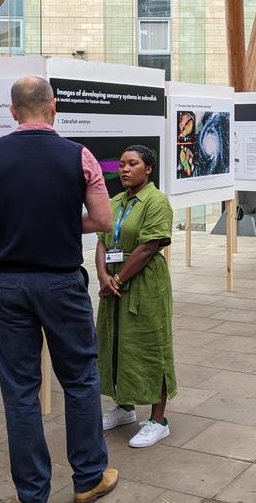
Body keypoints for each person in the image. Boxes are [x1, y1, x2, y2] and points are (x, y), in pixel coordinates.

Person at [0, 76, 118, 503]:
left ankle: (32, 493)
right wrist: (58, 219)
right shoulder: (79, 155)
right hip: (61, 281)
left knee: (20, 389)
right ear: (54, 107)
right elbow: (103, 221)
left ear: (12, 113)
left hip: (6, 284)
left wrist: (7, 215)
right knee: (80, 380)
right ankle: (88, 479)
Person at [96, 145, 176, 448]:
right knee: (117, 342)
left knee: (151, 345)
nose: (124, 169)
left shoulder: (156, 202)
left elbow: (147, 247)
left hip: (144, 284)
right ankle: (125, 407)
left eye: (133, 164)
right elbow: (103, 241)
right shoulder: (114, 201)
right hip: (113, 283)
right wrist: (104, 276)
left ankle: (158, 420)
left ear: (149, 169)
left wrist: (115, 278)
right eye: (121, 164)